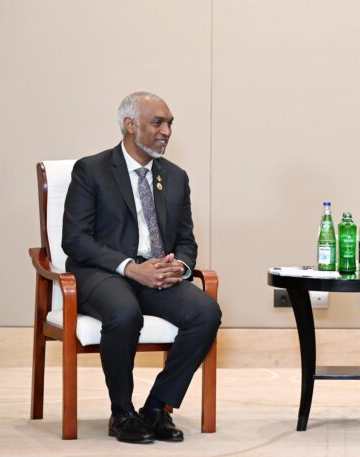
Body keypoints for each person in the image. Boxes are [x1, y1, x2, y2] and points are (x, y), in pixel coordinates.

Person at [62, 92, 222, 444]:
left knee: (206, 312)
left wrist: (179, 267)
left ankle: (156, 408)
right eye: (157, 123)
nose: (166, 131)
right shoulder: (92, 170)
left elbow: (186, 240)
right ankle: (122, 412)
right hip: (103, 273)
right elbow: (75, 240)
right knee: (123, 313)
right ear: (130, 125)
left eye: (170, 124)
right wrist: (130, 268)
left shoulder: (176, 177)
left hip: (157, 276)